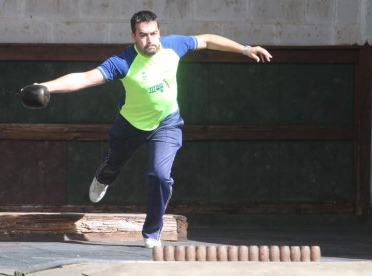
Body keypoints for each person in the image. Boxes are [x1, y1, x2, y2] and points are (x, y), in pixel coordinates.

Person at [36, 10, 272, 248]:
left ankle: (151, 233)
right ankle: (103, 177)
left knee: (160, 175)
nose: (150, 40)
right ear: (133, 36)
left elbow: (208, 40)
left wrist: (244, 49)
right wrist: (45, 86)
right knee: (112, 165)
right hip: (130, 125)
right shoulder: (123, 62)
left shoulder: (173, 46)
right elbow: (84, 78)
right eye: (143, 35)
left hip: (167, 123)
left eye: (153, 33)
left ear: (159, 32)